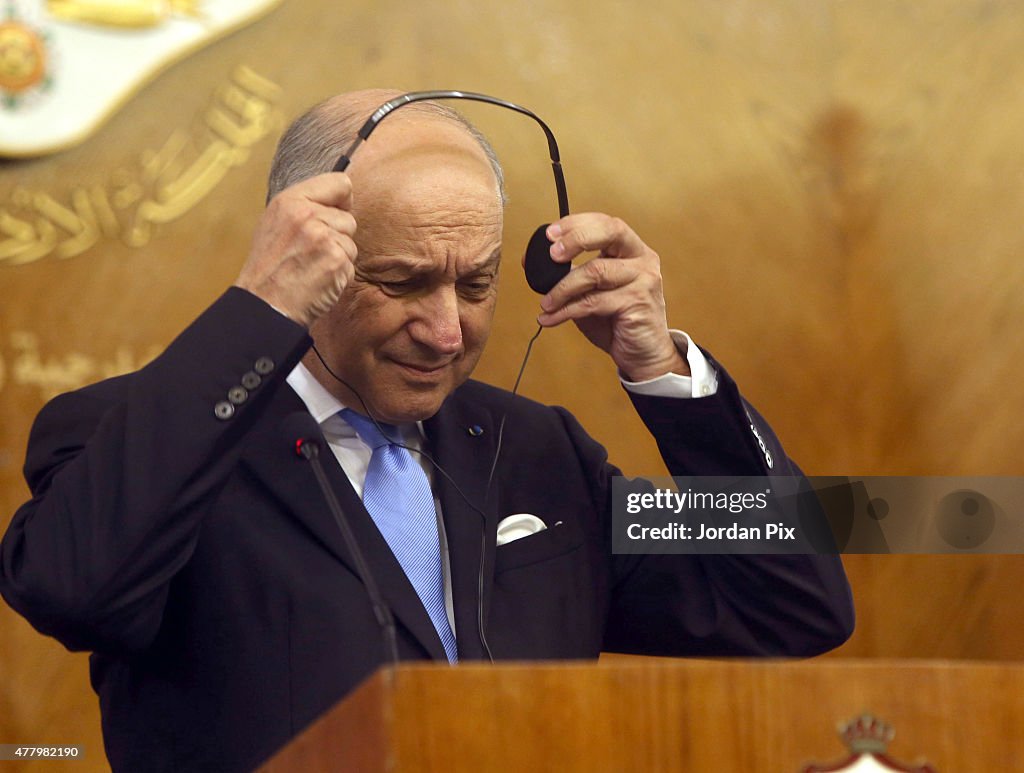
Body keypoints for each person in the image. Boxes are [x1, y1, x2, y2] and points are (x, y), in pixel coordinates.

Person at [0, 90, 853, 772]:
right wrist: (258, 310)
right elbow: (71, 587)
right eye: (403, 282)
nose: (446, 332)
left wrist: (666, 374)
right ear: (307, 251)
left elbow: (791, 602)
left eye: (476, 284)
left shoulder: (540, 454)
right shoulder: (138, 434)